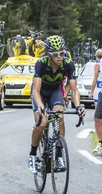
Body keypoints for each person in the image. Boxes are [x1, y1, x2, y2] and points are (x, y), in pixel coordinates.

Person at [29, 35, 86, 173]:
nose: (59, 57)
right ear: (49, 54)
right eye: (56, 54)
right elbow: (35, 91)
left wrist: (78, 106)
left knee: (60, 118)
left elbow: (74, 89)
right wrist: (40, 107)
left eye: (61, 53)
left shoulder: (68, 63)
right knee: (42, 123)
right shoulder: (41, 63)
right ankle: (32, 155)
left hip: (55, 91)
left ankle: (59, 155)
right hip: (40, 93)